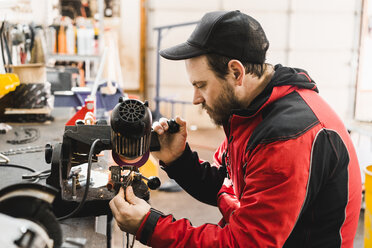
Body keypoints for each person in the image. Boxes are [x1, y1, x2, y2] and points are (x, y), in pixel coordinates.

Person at [109, 10, 362, 247]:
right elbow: (229, 188)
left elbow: (244, 243)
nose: (196, 98)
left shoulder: (286, 138)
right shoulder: (252, 111)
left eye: (202, 85)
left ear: (236, 72)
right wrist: (179, 160)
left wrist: (150, 225)